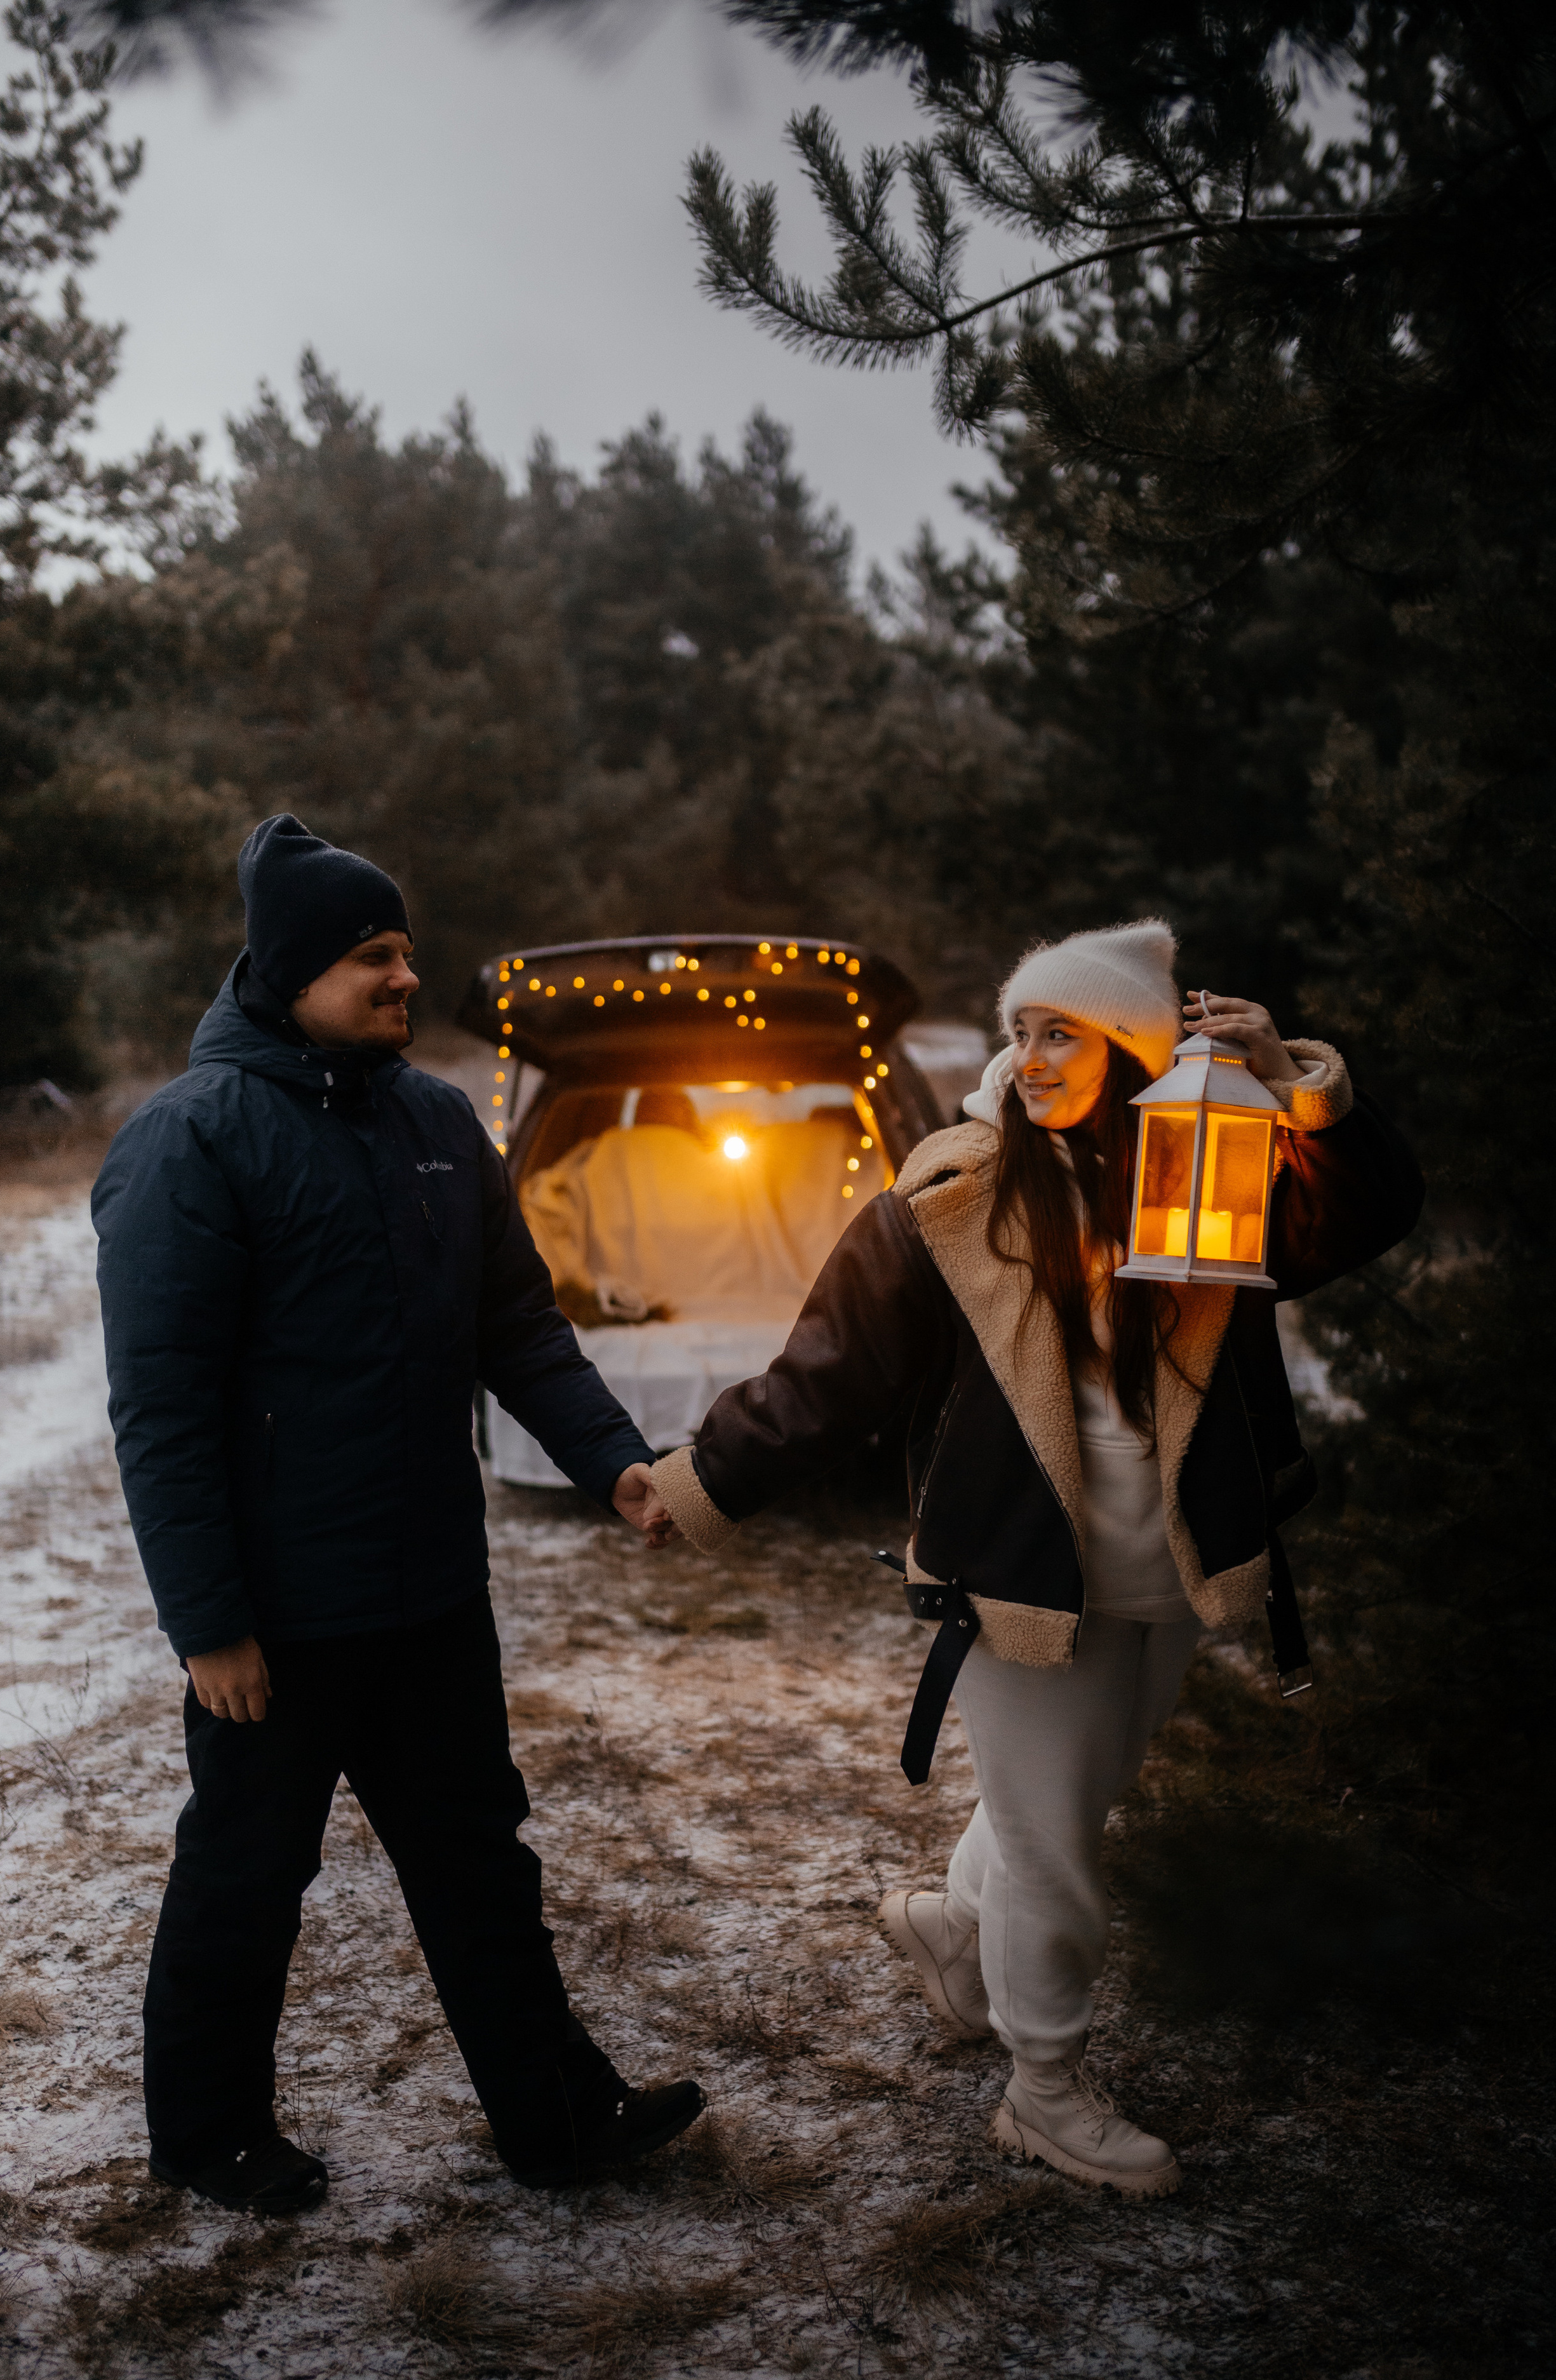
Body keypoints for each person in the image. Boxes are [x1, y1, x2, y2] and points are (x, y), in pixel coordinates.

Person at [643, 920, 1423, 2200]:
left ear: (1129, 1046)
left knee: (1065, 1801)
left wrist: (1295, 1081)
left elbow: (1367, 1215)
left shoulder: (1219, 1157)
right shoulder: (954, 1194)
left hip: (1170, 1560)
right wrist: (701, 1482)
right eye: (1021, 1030)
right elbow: (827, 1375)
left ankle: (952, 1928)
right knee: (1054, 1848)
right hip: (1017, 1570)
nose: (1033, 1054)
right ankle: (1043, 2094)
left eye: (1063, 1031)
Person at [93, 814, 701, 2212]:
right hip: (280, 1616)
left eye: (407, 952)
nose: (405, 977)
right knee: (249, 1875)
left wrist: (612, 1461)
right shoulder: (190, 1141)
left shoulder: (436, 1124)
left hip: (428, 1589)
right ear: (292, 969)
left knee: (479, 1862)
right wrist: (208, 1622)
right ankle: (207, 2133)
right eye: (373, 955)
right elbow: (162, 1412)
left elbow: (518, 1327)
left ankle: (559, 2118)